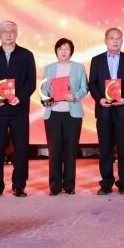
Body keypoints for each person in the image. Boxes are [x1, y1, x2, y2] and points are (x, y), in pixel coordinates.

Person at [0, 21, 37, 198]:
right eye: (5, 31)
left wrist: (21, 96)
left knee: (21, 148)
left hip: (19, 109)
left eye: (12, 31)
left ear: (16, 34)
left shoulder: (26, 55)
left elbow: (31, 82)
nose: (8, 34)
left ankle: (19, 185)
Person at [88, 28, 124, 195]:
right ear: (105, 40)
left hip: (123, 110)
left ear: (122, 41)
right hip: (104, 110)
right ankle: (106, 183)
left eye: (118, 38)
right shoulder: (96, 60)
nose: (115, 41)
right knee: (105, 148)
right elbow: (92, 83)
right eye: (112, 38)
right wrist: (99, 99)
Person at [41, 37, 89, 195]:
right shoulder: (49, 68)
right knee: (54, 151)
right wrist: (48, 98)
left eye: (66, 49)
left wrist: (75, 96)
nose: (63, 52)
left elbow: (84, 88)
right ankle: (54, 186)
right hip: (53, 114)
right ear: (56, 51)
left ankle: (69, 186)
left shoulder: (79, 68)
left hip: (72, 114)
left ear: (71, 51)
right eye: (60, 49)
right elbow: (43, 89)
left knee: (70, 150)